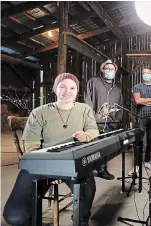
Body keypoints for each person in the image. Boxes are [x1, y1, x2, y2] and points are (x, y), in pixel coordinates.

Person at [3, 73, 99, 226]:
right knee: (15, 216)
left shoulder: (84, 109)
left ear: (77, 91)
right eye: (62, 87)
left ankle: (80, 220)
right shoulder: (39, 112)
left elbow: (94, 131)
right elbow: (31, 145)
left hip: (73, 162)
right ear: (55, 89)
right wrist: (51, 169)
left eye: (72, 88)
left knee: (88, 190)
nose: (67, 91)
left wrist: (85, 135)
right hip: (42, 163)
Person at [84, 59, 123, 180]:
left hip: (110, 125)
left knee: (105, 149)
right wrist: (91, 119)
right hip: (95, 123)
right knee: (91, 148)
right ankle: (87, 171)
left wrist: (116, 121)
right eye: (107, 68)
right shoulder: (94, 82)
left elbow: (120, 107)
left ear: (115, 72)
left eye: (112, 69)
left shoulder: (117, 89)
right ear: (103, 70)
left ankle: (102, 170)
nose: (110, 71)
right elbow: (87, 100)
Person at [131, 64, 151, 172]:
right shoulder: (137, 87)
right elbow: (137, 101)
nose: (146, 75)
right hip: (141, 116)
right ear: (141, 75)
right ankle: (136, 165)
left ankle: (147, 161)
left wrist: (145, 101)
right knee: (138, 141)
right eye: (144, 73)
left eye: (148, 73)